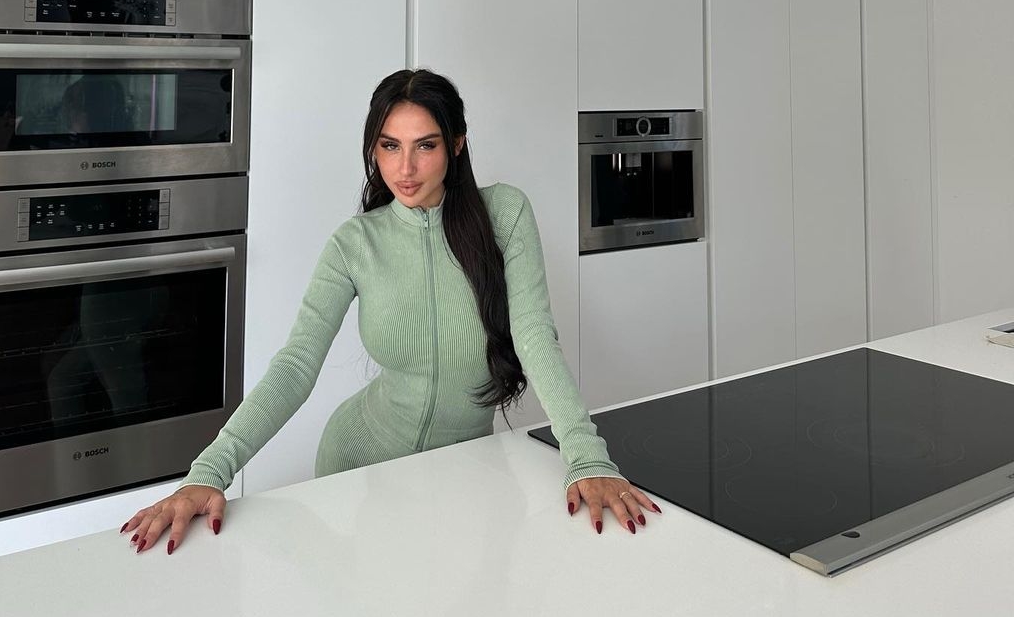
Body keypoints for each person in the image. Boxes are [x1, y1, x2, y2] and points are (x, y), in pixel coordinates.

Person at [122, 69, 661, 554]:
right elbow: (296, 364)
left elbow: (534, 336)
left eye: (425, 145)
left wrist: (586, 457)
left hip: (468, 469)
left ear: (456, 144)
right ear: (373, 149)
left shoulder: (505, 214)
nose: (404, 168)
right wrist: (208, 472)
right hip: (358, 466)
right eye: (389, 146)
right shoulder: (355, 244)